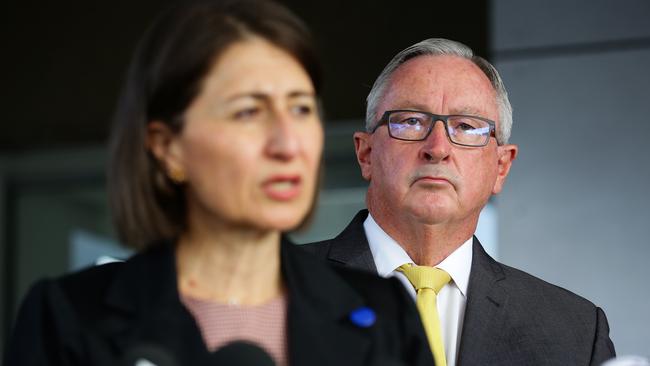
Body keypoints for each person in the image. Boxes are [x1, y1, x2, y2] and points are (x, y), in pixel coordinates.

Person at [4, 2, 433, 365]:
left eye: (301, 109)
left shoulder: (385, 314)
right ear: (168, 146)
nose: (287, 144)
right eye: (249, 112)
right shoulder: (69, 318)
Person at [303, 38, 616, 365]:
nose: (437, 148)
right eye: (411, 121)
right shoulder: (272, 291)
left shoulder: (575, 331)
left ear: (501, 167)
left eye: (467, 126)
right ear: (365, 153)